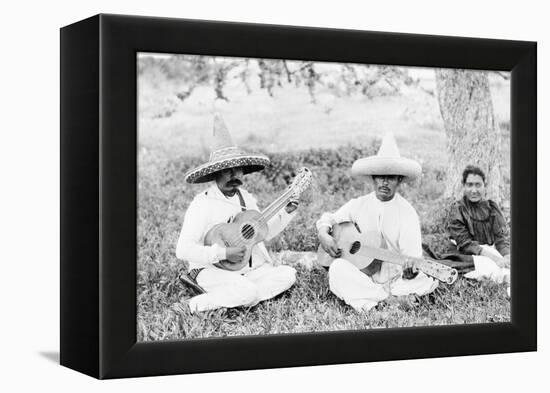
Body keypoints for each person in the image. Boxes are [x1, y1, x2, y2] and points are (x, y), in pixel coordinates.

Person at [176, 113, 298, 313]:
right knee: (248, 292)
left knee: (288, 274)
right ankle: (192, 305)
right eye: (227, 171)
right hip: (210, 269)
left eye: (238, 170)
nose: (235, 176)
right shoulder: (202, 204)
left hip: (243, 270)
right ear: (215, 173)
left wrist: (286, 213)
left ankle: (235, 296)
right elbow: (183, 250)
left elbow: (260, 233)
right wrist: (224, 253)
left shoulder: (246, 198)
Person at [317, 133, 438, 312]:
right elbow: (329, 218)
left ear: (399, 180)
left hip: (396, 279)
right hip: (364, 274)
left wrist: (410, 272)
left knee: (421, 282)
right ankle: (388, 300)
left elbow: (412, 258)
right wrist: (323, 234)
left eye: (390, 177)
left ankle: (370, 301)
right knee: (337, 268)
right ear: (373, 178)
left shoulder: (407, 213)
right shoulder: (359, 204)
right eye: (380, 176)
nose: (384, 182)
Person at [444, 165, 510, 291]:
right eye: (470, 185)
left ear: (484, 185)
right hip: (468, 254)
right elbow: (465, 244)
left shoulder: (492, 208)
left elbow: (501, 239)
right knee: (493, 269)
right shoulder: (458, 209)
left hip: (489, 250)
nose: (474, 190)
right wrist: (495, 258)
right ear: (463, 186)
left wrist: (506, 256)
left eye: (478, 185)